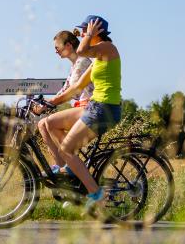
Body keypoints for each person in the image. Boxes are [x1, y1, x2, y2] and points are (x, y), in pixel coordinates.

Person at [45, 15, 122, 209]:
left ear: (96, 31)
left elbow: (81, 50)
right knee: (51, 125)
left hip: (103, 108)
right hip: (97, 107)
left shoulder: (107, 48)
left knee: (66, 150)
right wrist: (51, 102)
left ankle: (96, 195)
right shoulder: (97, 58)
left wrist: (89, 34)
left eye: (85, 30)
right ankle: (73, 171)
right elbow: (77, 86)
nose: (82, 33)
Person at [36, 30, 93, 174]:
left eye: (57, 47)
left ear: (68, 45)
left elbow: (73, 91)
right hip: (81, 108)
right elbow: (65, 88)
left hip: (88, 107)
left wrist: (52, 103)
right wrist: (45, 104)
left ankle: (71, 164)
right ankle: (61, 166)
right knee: (42, 124)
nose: (56, 52)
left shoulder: (82, 62)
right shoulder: (75, 65)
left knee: (49, 122)